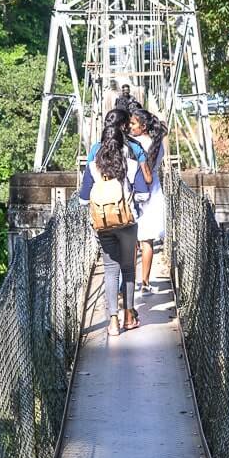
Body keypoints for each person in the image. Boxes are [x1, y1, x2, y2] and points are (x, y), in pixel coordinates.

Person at [80, 126, 148, 336]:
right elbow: (143, 196)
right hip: (128, 224)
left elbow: (83, 199)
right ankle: (129, 317)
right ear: (122, 144)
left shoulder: (93, 167)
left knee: (110, 271)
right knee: (128, 269)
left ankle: (112, 323)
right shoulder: (131, 165)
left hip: (104, 225)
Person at [129, 108, 168, 294]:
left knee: (130, 239)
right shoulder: (159, 144)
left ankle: (129, 285)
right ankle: (145, 282)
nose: (130, 127)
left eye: (133, 124)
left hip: (135, 191)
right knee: (147, 240)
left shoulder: (134, 144)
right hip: (153, 191)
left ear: (143, 126)